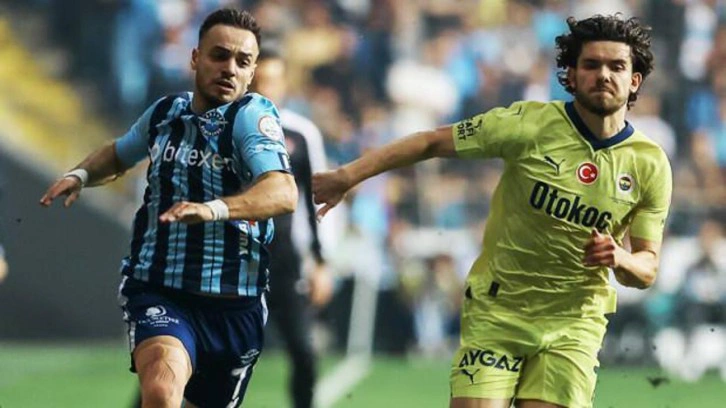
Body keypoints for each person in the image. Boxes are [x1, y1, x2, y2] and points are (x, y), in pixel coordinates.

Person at [313, 14, 672, 408]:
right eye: (591, 64)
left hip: (574, 323)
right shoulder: (528, 124)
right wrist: (347, 176)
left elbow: (647, 267)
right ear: (570, 75)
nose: (603, 75)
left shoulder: (649, 164)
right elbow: (431, 142)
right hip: (499, 310)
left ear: (634, 80)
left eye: (616, 66)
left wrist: (620, 257)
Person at [40, 9, 297, 408]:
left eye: (242, 61)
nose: (230, 69)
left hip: (235, 304)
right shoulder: (165, 112)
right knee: (162, 390)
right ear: (195, 58)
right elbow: (120, 152)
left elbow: (283, 193)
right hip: (160, 289)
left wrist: (213, 209)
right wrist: (82, 174)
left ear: (252, 72)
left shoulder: (252, 119)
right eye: (219, 55)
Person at [250, 49, 334, 408]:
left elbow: (317, 198)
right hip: (229, 258)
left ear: (284, 84)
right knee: (199, 352)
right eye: (259, 80)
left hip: (283, 260)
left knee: (304, 352)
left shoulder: (300, 132)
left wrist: (321, 262)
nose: (265, 88)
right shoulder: (222, 126)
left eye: (272, 80)